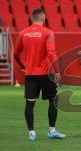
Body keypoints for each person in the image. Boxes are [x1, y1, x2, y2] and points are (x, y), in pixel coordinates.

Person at [14, 9, 65, 141]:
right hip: (46, 74)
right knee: (53, 100)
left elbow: (15, 54)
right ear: (43, 18)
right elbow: (52, 53)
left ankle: (31, 133)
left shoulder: (22, 33)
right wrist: (57, 71)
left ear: (32, 18)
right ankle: (51, 131)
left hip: (30, 74)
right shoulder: (48, 33)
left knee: (30, 104)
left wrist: (22, 66)